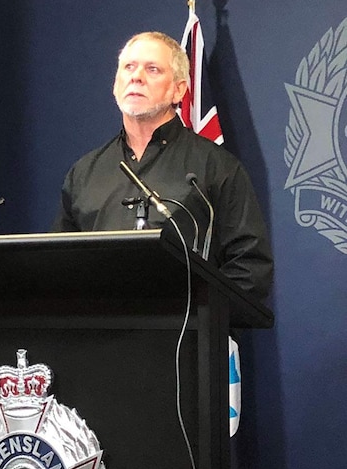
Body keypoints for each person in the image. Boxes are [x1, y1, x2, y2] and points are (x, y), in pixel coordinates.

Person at [53, 31, 273, 302]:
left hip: (186, 336)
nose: (136, 77)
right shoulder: (84, 173)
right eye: (129, 67)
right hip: (101, 336)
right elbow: (59, 265)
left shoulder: (217, 167)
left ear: (179, 90)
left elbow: (249, 268)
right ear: (115, 83)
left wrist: (198, 316)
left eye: (152, 69)